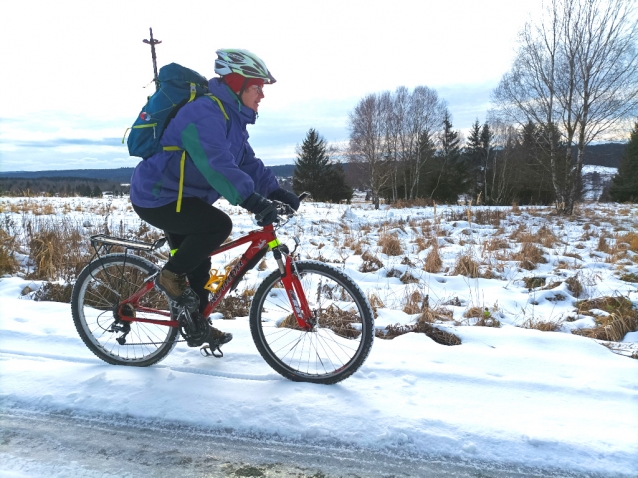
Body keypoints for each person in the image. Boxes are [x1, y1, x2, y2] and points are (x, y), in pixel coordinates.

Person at [129, 49, 300, 349]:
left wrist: (274, 191)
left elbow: (246, 162)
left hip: (183, 198)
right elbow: (217, 163)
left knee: (199, 265)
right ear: (238, 84)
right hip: (157, 196)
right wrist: (251, 200)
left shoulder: (231, 118)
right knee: (217, 226)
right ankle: (168, 276)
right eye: (257, 87)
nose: (262, 95)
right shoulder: (205, 113)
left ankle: (197, 325)